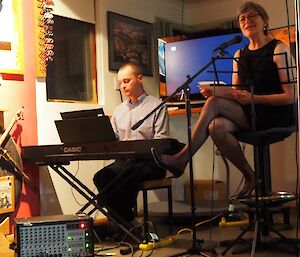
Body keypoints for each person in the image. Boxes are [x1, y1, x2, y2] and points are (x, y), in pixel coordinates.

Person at [152, 1, 295, 199]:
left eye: (252, 16)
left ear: (265, 21)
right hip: (249, 113)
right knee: (216, 126)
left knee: (213, 105)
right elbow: (237, 93)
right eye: (242, 18)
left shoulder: (279, 49)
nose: (247, 21)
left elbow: (290, 97)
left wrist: (253, 98)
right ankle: (250, 175)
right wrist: (217, 92)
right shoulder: (239, 54)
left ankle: (181, 159)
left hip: (274, 114)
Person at [93, 62, 169, 239]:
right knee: (101, 177)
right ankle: (129, 222)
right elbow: (114, 142)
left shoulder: (157, 105)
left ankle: (119, 224)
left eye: (127, 80)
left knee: (123, 178)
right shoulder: (119, 111)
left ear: (140, 79)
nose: (123, 86)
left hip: (151, 162)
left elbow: (161, 141)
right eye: (120, 82)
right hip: (126, 162)